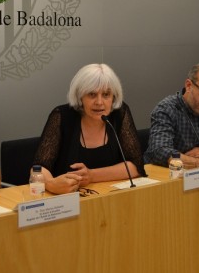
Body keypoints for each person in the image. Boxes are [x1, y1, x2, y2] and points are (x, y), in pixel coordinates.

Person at [33, 64, 146, 194]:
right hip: (67, 200)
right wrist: (51, 184)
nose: (99, 102)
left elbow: (136, 166)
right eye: (92, 94)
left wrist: (92, 175)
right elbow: (38, 168)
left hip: (108, 197)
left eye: (106, 95)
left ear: (113, 97)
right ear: (80, 97)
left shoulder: (119, 114)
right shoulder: (62, 116)